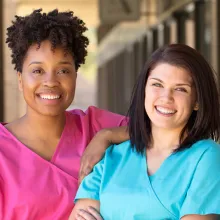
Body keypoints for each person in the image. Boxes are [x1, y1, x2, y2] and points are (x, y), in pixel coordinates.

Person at [0, 9, 129, 219]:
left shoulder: (95, 125)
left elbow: (165, 133)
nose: (51, 81)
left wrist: (106, 136)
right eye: (37, 71)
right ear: (20, 79)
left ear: (75, 77)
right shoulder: (2, 152)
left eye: (63, 70)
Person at [71, 44, 220, 220]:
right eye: (157, 84)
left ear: (197, 101)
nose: (166, 97)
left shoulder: (206, 157)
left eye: (181, 89)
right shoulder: (112, 158)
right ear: (144, 91)